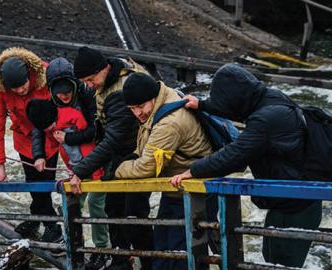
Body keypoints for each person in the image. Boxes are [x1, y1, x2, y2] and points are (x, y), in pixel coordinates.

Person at [170, 63, 322, 268]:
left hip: (295, 206)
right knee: (273, 260)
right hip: (293, 200)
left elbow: (234, 155)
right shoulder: (271, 98)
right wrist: (204, 105)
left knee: (282, 263)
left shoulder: (266, 119)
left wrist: (192, 170)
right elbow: (238, 109)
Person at [114, 73, 213, 270]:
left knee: (180, 254)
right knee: (164, 248)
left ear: (152, 97)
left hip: (195, 193)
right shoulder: (164, 98)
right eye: (132, 109)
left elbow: (147, 167)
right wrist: (133, 157)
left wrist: (118, 169)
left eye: (140, 107)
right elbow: (147, 148)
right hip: (176, 189)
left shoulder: (170, 122)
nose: (137, 113)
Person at [69, 46, 151, 270]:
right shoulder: (113, 76)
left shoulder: (119, 92)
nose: (89, 84)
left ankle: (149, 261)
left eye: (90, 78)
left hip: (138, 155)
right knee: (114, 207)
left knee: (134, 214)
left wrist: (80, 170)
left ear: (103, 68)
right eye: (85, 81)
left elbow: (113, 139)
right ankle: (121, 259)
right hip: (124, 155)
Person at [30, 57, 110, 269]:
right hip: (75, 166)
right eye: (59, 92)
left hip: (98, 163)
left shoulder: (88, 97)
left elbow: (97, 130)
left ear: (76, 85)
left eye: (68, 91)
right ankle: (73, 242)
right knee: (71, 202)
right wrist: (39, 155)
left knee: (96, 205)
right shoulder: (50, 104)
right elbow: (38, 129)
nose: (64, 96)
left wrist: (69, 139)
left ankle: (102, 249)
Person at [0, 47, 62, 243]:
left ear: (30, 74)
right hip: (24, 137)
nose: (20, 91)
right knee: (32, 180)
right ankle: (38, 219)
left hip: (50, 134)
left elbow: (66, 104)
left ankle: (52, 226)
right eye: (15, 89)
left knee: (45, 181)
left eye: (23, 85)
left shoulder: (46, 76)